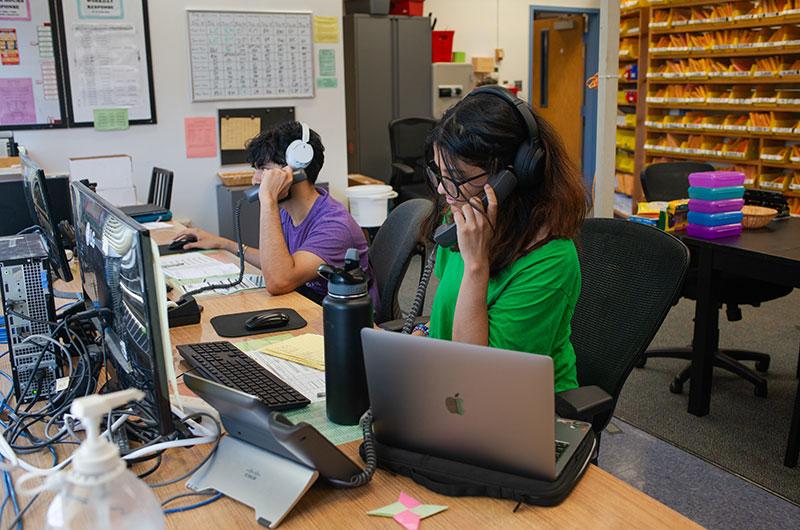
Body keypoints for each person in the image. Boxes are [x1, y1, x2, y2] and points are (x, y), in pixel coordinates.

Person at [415, 87, 588, 393]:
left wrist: (476, 266)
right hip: (449, 388)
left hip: (519, 409)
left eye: (455, 177)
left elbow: (481, 381)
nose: (442, 191)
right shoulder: (464, 217)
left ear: (510, 177)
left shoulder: (550, 260)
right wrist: (425, 336)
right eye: (439, 174)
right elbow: (449, 312)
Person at [175, 122, 379, 306]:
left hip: (341, 327)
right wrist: (223, 243)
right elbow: (280, 264)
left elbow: (278, 281)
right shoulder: (287, 210)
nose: (255, 180)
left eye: (264, 169)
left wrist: (268, 201)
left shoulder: (334, 226)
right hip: (307, 307)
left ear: (297, 169)